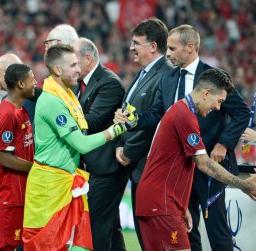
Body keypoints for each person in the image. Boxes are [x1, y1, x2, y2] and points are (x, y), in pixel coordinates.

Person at [116, 24, 250, 251]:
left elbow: (241, 113)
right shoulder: (167, 78)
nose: (166, 54)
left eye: (172, 48)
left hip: (211, 167)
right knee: (189, 232)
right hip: (181, 171)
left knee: (218, 233)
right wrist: (133, 119)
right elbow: (157, 116)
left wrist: (224, 143)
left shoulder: (214, 78)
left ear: (190, 48)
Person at [22, 44, 127, 251]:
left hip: (66, 183)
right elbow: (81, 143)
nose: (78, 69)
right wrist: (117, 129)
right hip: (49, 187)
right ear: (58, 70)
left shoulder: (67, 96)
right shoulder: (53, 101)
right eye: (72, 65)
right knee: (48, 246)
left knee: (79, 244)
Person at [114, 18, 173, 248]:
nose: (131, 48)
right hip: (136, 168)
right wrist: (120, 139)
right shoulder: (144, 73)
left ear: (153, 46)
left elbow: (158, 123)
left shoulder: (166, 74)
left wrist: (129, 150)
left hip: (149, 169)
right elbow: (129, 115)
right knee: (144, 237)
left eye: (136, 43)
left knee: (153, 238)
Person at [72, 37, 126, 251]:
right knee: (110, 227)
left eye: (74, 59)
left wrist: (62, 118)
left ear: (87, 58)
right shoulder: (82, 85)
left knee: (96, 227)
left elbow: (92, 121)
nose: (72, 64)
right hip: (94, 168)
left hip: (106, 169)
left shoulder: (109, 83)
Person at [0, 63, 36, 251]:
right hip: (10, 196)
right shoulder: (7, 114)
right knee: (7, 248)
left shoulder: (21, 110)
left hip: (23, 192)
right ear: (20, 84)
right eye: (31, 79)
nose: (35, 83)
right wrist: (37, 168)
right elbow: (5, 158)